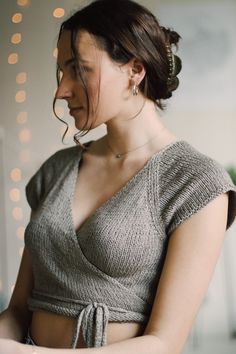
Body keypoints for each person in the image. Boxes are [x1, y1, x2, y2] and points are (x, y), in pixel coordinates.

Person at [0, 0, 236, 353]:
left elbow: (165, 342)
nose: (62, 90)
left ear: (134, 71)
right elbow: (18, 310)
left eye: (78, 69)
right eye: (61, 72)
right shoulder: (56, 169)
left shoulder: (196, 182)